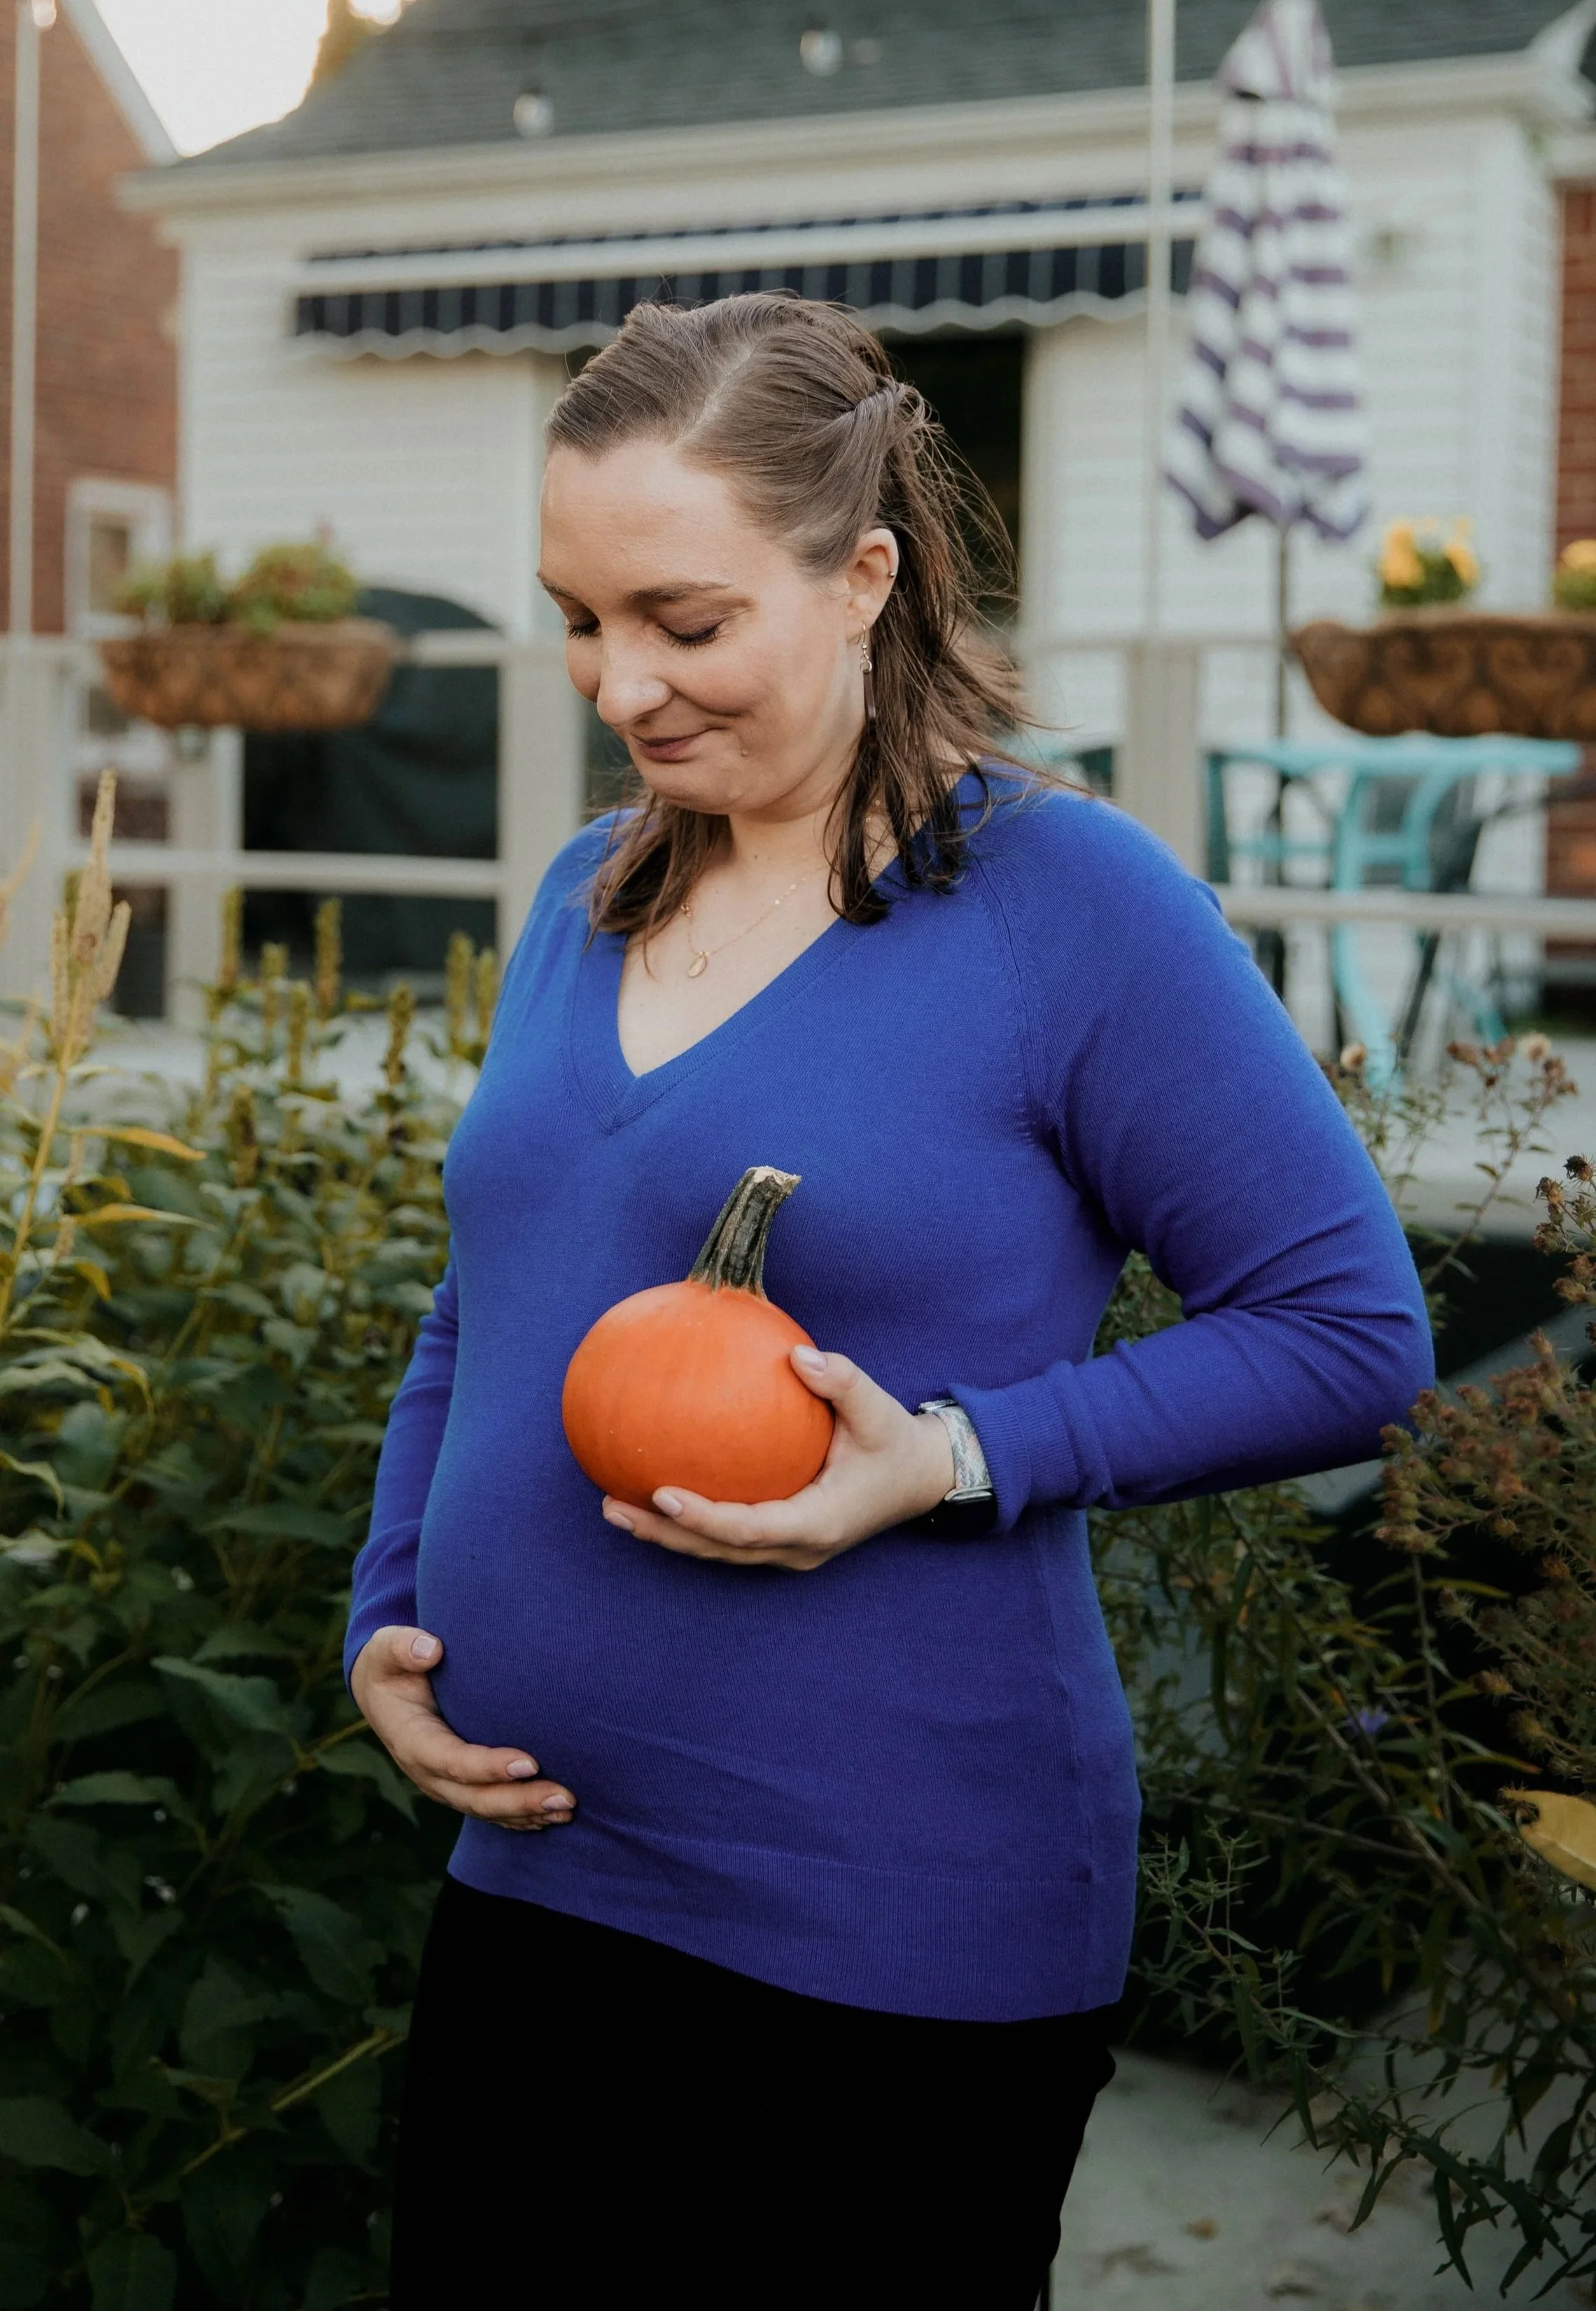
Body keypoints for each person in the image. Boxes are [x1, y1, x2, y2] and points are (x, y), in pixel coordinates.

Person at [347, 293, 1433, 2310]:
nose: (623, 684)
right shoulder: (592, 892)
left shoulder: (1067, 906)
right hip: (541, 1876)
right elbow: (481, 1302)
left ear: (867, 577)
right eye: (581, 618)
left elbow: (1353, 1330)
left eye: (685, 618)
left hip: (887, 1927)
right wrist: (385, 1614)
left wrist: (951, 1455)